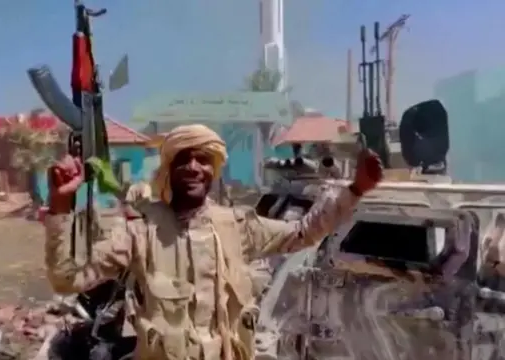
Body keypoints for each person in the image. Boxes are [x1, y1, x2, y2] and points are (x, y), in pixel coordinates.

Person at [45, 124, 382, 360]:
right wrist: (61, 207)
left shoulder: (238, 227)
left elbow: (302, 233)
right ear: (170, 169)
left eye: (203, 159)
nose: (194, 167)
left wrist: (354, 191)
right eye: (184, 159)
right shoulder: (140, 233)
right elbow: (67, 277)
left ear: (214, 169)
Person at [44, 135, 85, 266]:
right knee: (58, 256)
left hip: (62, 215)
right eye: (75, 145)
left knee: (59, 254)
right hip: (58, 217)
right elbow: (59, 192)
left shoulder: (71, 163)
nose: (77, 149)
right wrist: (79, 178)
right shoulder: (56, 167)